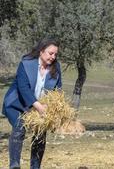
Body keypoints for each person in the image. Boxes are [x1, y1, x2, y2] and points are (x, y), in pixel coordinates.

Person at [1, 37, 62, 169]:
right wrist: (38, 107)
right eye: (50, 53)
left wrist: (54, 110)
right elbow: (23, 88)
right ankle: (14, 165)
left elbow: (58, 90)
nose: (53, 57)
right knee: (20, 126)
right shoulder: (26, 64)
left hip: (40, 107)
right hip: (18, 103)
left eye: (55, 54)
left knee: (40, 133)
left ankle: (35, 167)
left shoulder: (56, 68)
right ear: (41, 51)